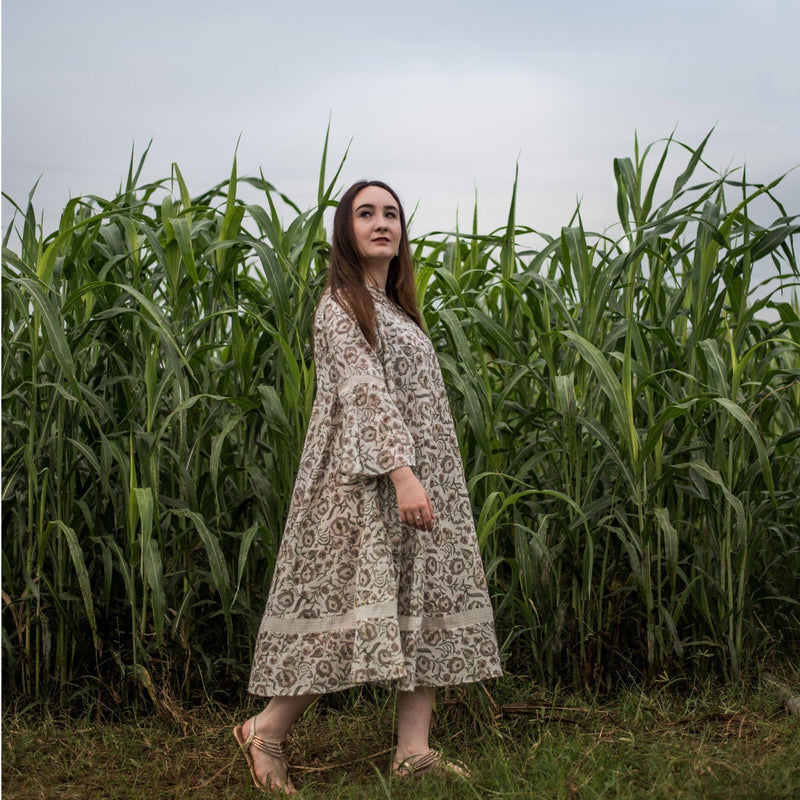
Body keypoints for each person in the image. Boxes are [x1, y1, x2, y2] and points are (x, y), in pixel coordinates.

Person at [234, 180, 502, 794]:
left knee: (424, 602)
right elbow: (363, 392)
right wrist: (403, 474)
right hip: (369, 481)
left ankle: (413, 751)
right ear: (344, 231)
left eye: (391, 213)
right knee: (346, 610)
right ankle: (265, 730)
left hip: (422, 477)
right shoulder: (340, 304)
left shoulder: (397, 309)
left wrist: (423, 476)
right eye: (365, 213)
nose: (381, 222)